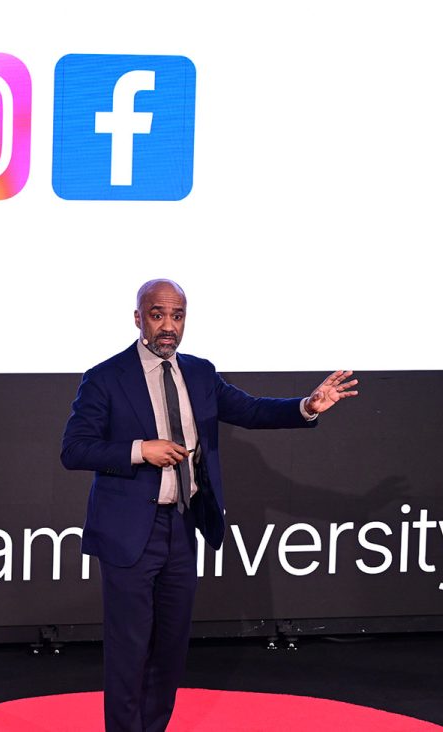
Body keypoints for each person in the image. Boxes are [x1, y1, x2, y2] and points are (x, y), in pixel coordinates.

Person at [60, 279, 358, 732]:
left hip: (182, 527)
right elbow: (75, 450)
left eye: (177, 316)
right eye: (157, 314)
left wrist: (307, 405)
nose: (168, 326)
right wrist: (142, 450)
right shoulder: (105, 377)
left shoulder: (199, 373)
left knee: (171, 650)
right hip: (128, 533)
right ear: (138, 318)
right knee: (129, 650)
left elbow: (253, 411)